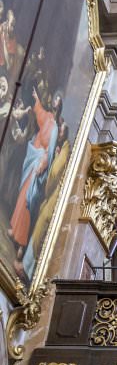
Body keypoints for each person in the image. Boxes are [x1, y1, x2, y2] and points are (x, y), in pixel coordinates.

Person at [9, 88, 60, 270]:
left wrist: (42, 164)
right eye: (53, 100)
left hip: (37, 166)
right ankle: (15, 229)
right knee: (22, 195)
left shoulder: (54, 128)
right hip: (33, 160)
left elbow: (50, 151)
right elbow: (40, 113)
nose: (53, 104)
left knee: (27, 202)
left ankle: (21, 241)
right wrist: (37, 99)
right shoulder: (48, 119)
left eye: (56, 102)